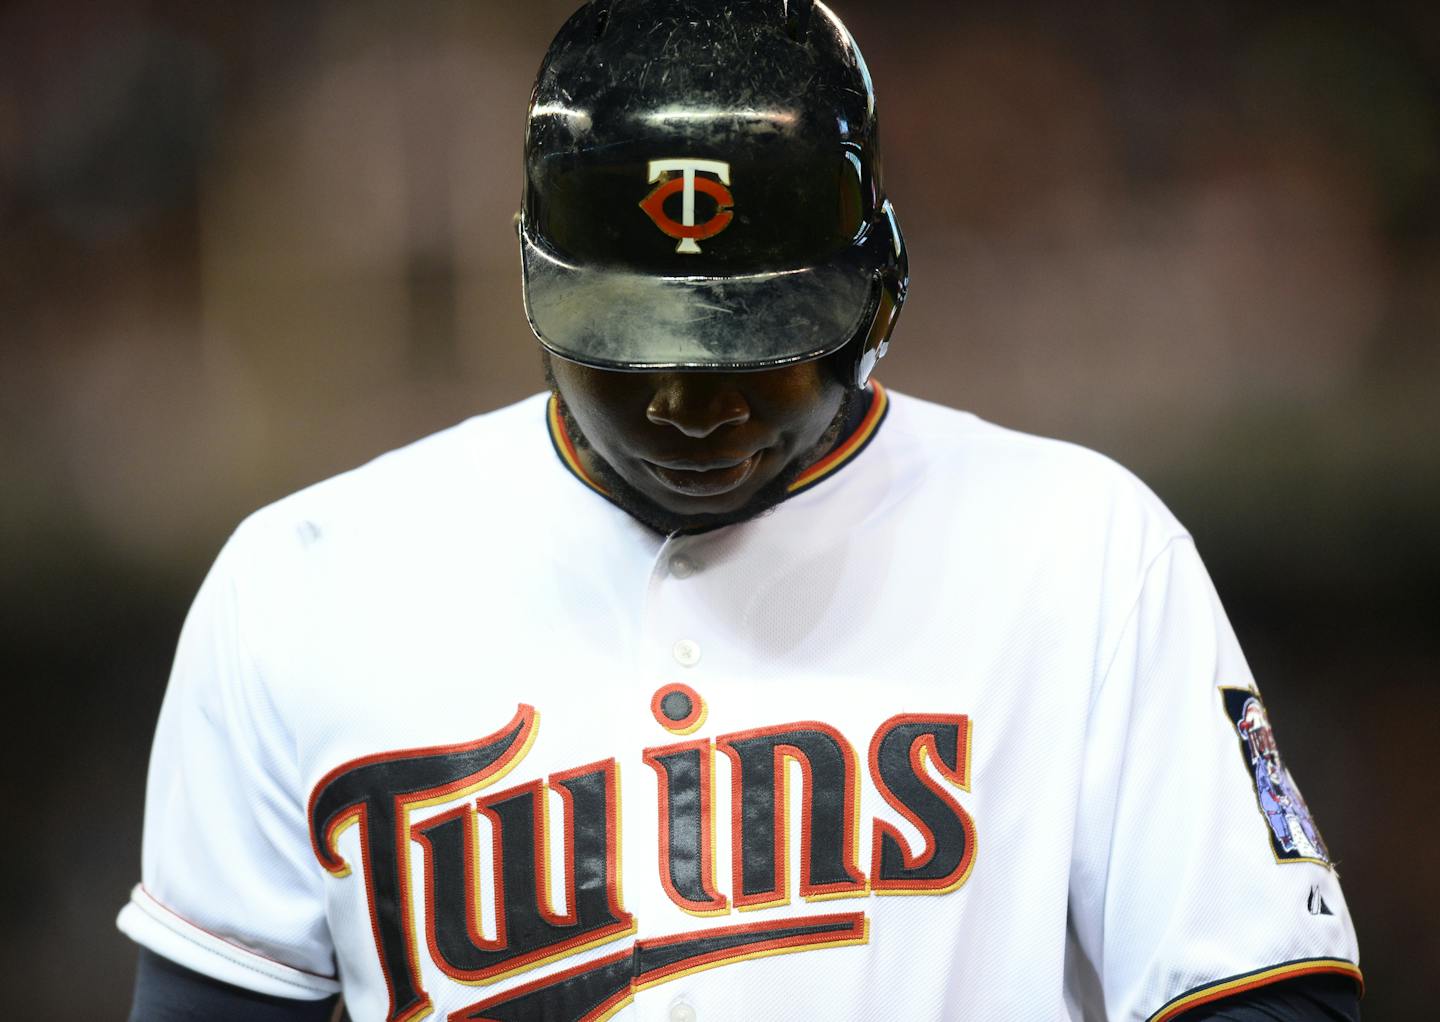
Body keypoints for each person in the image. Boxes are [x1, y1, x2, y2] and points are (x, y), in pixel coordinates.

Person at [119, 2, 1362, 1019]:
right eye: (629, 342)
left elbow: (1259, 991)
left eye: (752, 346)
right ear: (534, 282)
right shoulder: (303, 580)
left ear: (881, 288)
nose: (688, 404)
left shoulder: (1084, 550)